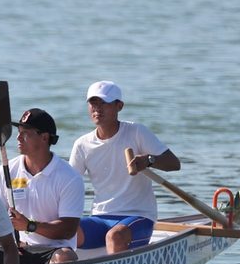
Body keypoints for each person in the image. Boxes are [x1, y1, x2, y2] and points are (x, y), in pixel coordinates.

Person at [69, 81, 181, 253]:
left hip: (138, 216)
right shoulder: (82, 145)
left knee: (115, 236)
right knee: (66, 231)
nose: (97, 108)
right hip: (100, 217)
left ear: (119, 106)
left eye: (104, 103)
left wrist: (149, 160)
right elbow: (69, 187)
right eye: (93, 103)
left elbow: (174, 163)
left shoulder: (136, 132)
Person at [0, 109, 86, 264]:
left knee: (64, 258)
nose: (18, 137)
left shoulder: (69, 177)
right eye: (19, 131)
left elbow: (68, 230)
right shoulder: (6, 171)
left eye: (26, 132)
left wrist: (29, 225)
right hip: (19, 248)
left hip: (54, 249)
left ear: (44, 137)